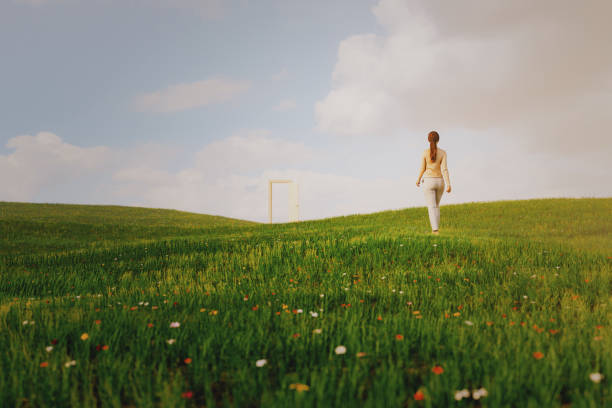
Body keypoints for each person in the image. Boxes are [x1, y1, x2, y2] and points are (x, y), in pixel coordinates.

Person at [415, 131, 451, 235]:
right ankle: (435, 229)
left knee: (431, 206)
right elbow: (444, 169)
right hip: (440, 182)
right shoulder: (443, 153)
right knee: (436, 206)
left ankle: (435, 230)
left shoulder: (424, 152)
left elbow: (422, 168)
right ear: (438, 140)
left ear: (428, 140)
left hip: (428, 181)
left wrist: (418, 179)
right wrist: (448, 184)